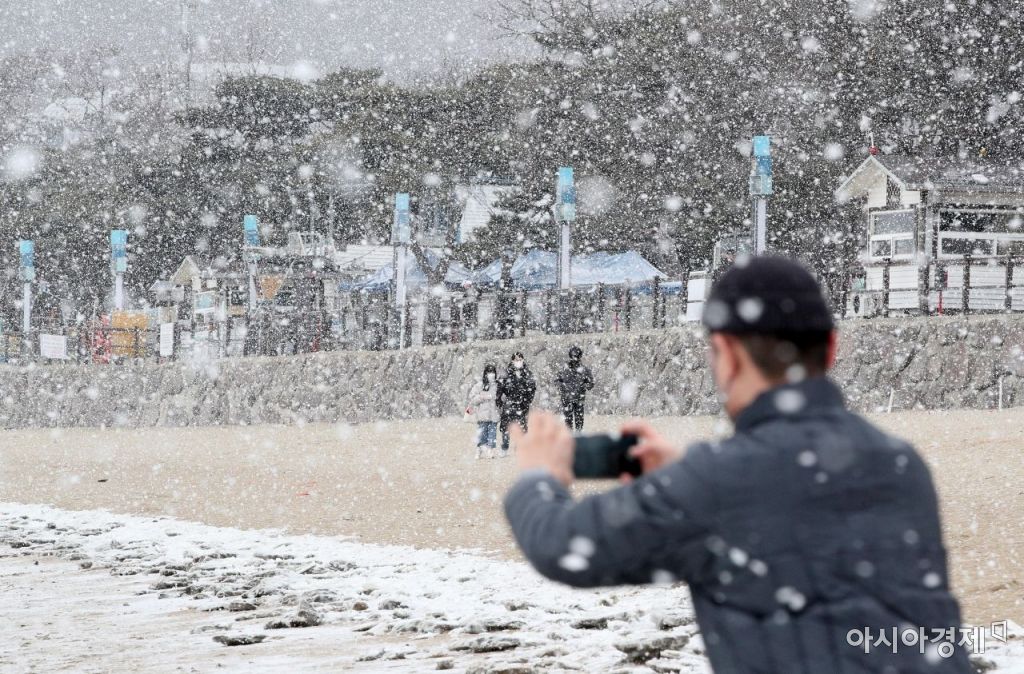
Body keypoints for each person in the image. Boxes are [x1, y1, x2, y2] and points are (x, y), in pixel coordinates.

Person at [504, 256, 969, 674]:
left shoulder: (714, 484)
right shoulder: (902, 464)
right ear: (831, 348)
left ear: (726, 355)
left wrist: (540, 475)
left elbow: (559, 544)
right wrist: (687, 475)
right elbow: (799, 519)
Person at [497, 351, 536, 458]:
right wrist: (500, 399)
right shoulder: (506, 373)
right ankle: (504, 448)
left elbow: (532, 388)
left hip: (522, 404)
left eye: (520, 359)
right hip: (509, 403)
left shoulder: (527, 373)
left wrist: (527, 401)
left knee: (522, 427)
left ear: (523, 360)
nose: (518, 361)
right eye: (516, 359)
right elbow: (500, 388)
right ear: (512, 360)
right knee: (506, 427)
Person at [554, 345, 594, 431]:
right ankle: (570, 436)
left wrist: (584, 386)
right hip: (567, 398)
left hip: (579, 398)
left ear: (579, 356)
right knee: (568, 421)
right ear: (570, 356)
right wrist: (562, 386)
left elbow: (591, 383)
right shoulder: (564, 369)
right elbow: (556, 381)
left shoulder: (585, 370)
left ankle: (578, 436)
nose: (575, 358)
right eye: (573, 356)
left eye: (576, 356)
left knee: (579, 420)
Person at [467, 363, 500, 459]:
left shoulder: (498, 385)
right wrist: (481, 397)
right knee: (482, 434)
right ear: (485, 373)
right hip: (482, 414)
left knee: (492, 434)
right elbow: (472, 398)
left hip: (494, 414)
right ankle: (479, 450)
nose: (491, 374)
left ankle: (490, 450)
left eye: (493, 372)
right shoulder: (480, 385)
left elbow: (502, 398)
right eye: (489, 372)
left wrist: (498, 398)